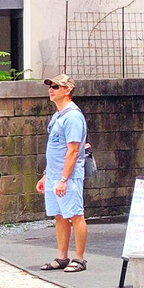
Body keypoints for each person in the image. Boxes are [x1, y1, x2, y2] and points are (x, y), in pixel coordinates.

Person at [36, 74, 88, 273]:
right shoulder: (58, 115)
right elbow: (54, 149)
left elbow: (73, 151)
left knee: (75, 215)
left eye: (56, 87)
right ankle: (62, 256)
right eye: (50, 86)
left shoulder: (73, 116)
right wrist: (47, 175)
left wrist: (64, 179)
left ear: (67, 90)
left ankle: (80, 258)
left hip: (68, 176)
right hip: (55, 174)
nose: (51, 89)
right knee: (59, 216)